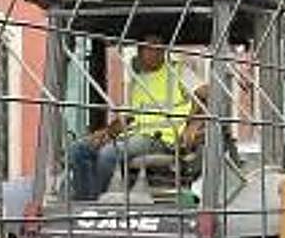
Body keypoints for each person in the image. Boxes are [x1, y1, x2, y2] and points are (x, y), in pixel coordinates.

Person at [68, 35, 204, 200]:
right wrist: (106, 133)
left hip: (164, 140)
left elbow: (206, 95)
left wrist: (194, 123)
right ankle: (84, 203)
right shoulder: (137, 80)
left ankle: (97, 205)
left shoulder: (179, 71)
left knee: (108, 154)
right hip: (134, 136)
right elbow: (128, 116)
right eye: (146, 47)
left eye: (157, 46)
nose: (153, 51)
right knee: (79, 149)